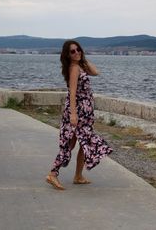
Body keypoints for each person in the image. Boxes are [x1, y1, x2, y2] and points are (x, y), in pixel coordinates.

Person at [46, 40, 113, 190]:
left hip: (86, 112)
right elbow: (72, 93)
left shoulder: (79, 65)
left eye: (78, 50)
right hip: (78, 113)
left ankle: (78, 176)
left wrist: (82, 58)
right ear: (67, 55)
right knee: (70, 144)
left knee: (84, 143)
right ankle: (52, 173)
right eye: (72, 51)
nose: (76, 53)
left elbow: (96, 72)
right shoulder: (74, 69)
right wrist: (73, 115)